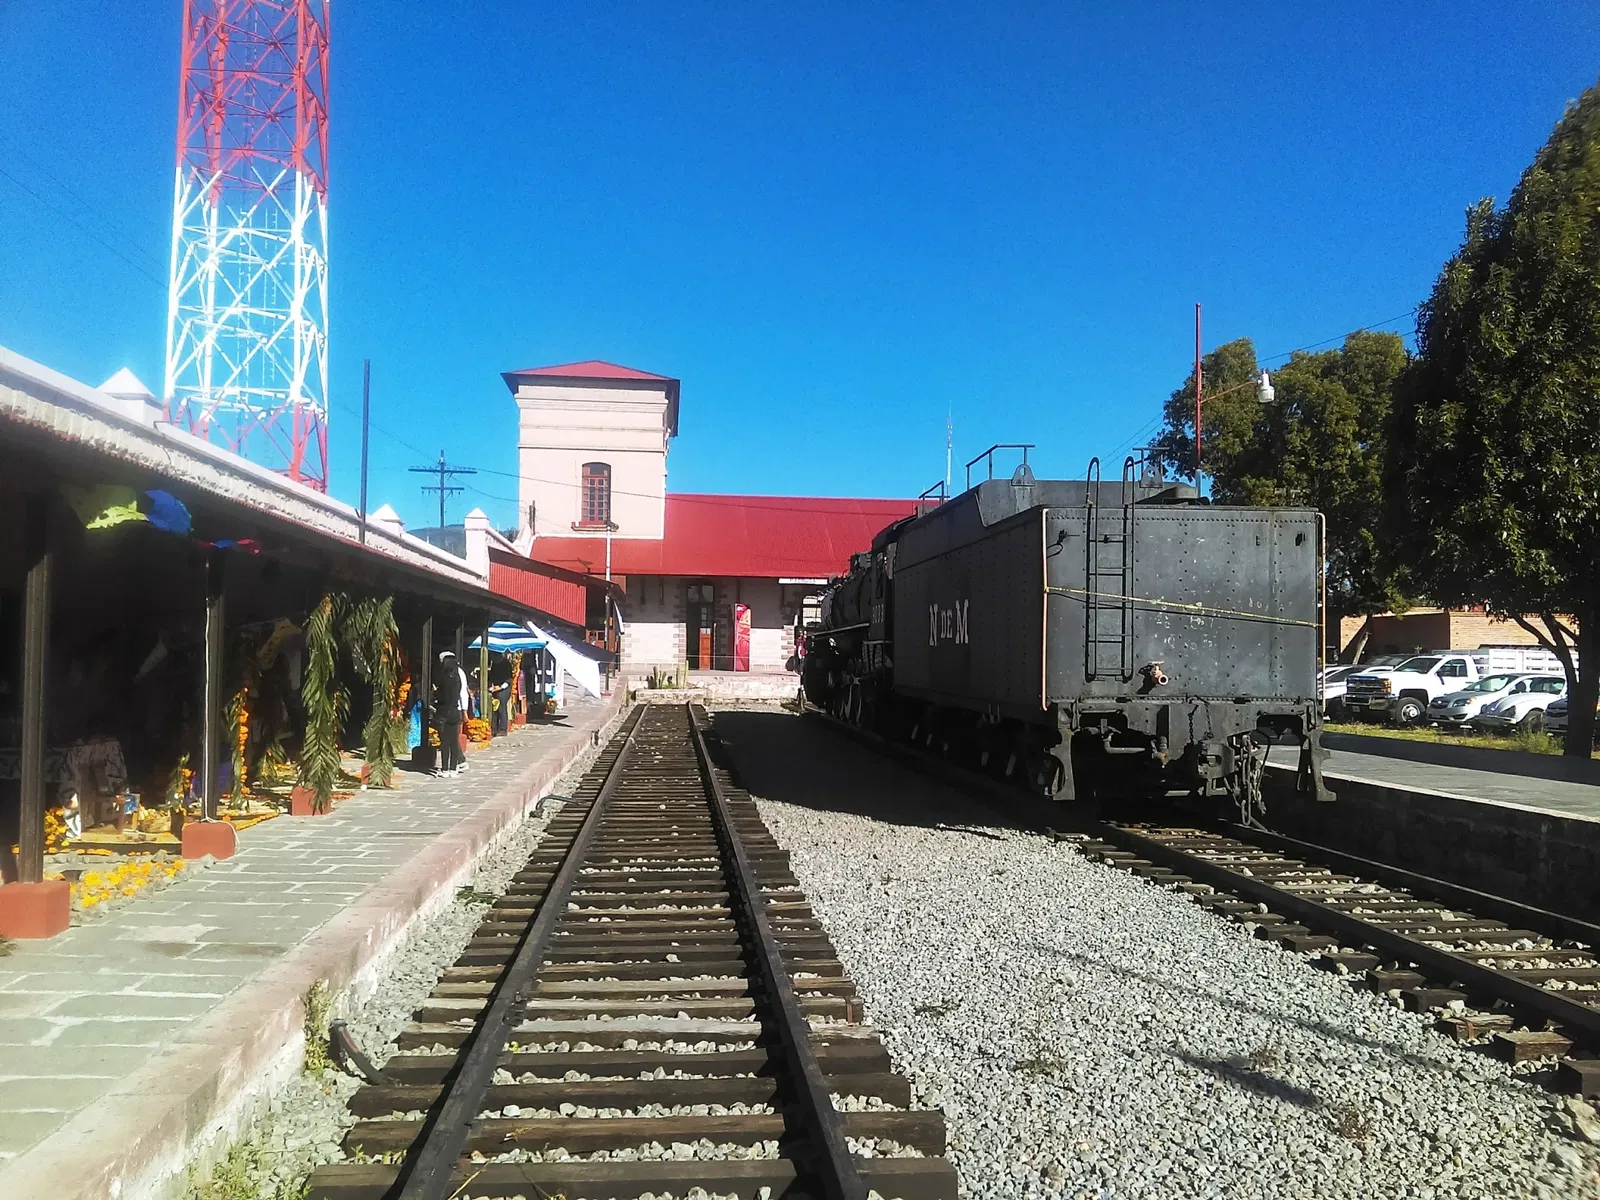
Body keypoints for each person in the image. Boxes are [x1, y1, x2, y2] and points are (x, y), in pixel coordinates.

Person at [432, 651, 466, 778]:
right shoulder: (457, 679)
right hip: (455, 712)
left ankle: (445, 769)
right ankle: (453, 768)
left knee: (445, 743)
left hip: (444, 713)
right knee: (454, 742)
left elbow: (443, 697)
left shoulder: (444, 679)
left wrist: (435, 692)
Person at [489, 654, 512, 737]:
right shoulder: (494, 663)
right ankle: (494, 729)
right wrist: (492, 686)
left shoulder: (506, 663)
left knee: (502, 708)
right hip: (495, 687)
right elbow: (492, 675)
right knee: (494, 708)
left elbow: (509, 679)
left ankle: (503, 729)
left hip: (504, 689)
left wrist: (500, 688)